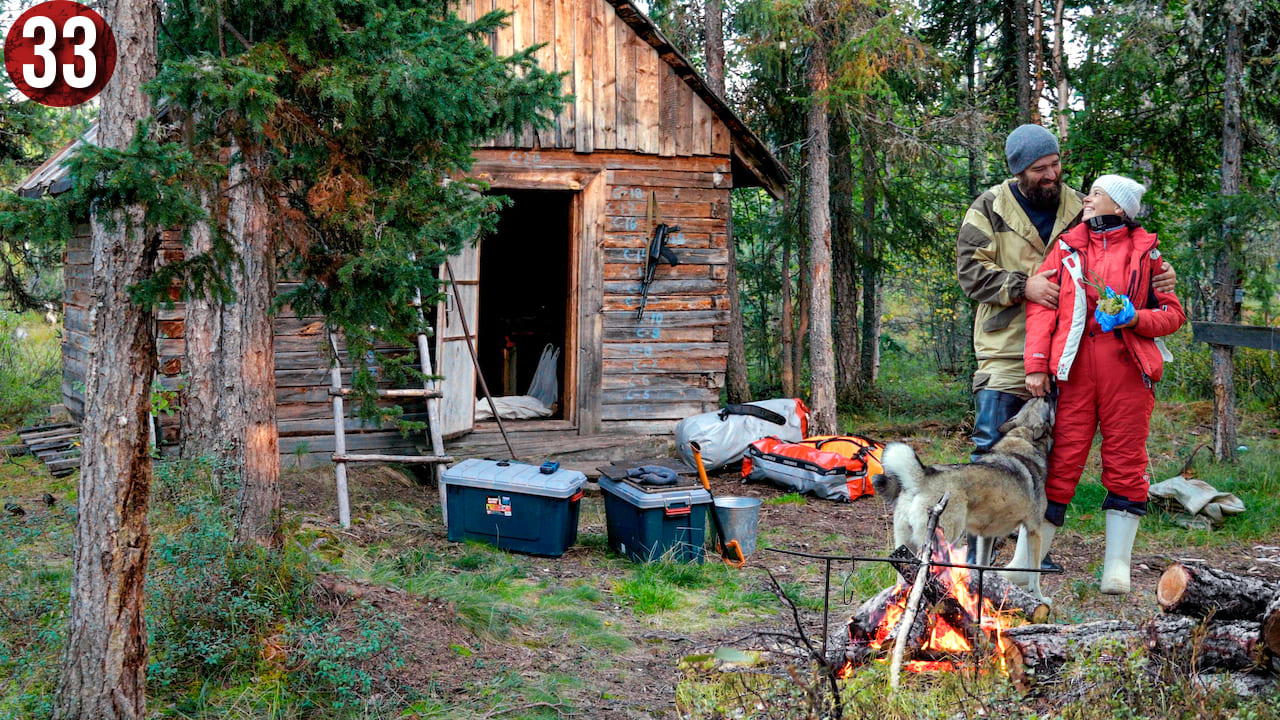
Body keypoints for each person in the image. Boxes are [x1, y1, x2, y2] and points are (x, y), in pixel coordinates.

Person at [955, 124, 1176, 569]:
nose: (1052, 175)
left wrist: (1159, 279)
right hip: (1004, 346)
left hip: (1066, 353)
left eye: (1056, 164)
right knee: (990, 446)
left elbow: (1118, 255)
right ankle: (973, 556)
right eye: (1041, 169)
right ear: (1019, 171)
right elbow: (969, 273)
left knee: (1050, 454)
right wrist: (1024, 286)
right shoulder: (990, 207)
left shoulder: (1082, 205)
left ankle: (1029, 551)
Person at [1018, 174, 1185, 594]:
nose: (1088, 200)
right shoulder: (1067, 247)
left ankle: (1117, 568)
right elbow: (1042, 309)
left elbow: (1173, 315)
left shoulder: (1150, 255)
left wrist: (1134, 318)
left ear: (1121, 207)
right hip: (1073, 374)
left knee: (1126, 464)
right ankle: (1026, 563)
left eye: (1097, 194)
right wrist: (1037, 364)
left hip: (1128, 373)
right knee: (1059, 465)